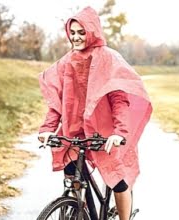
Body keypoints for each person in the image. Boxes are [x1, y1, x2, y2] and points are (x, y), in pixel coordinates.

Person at [37, 6, 152, 220]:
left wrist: (120, 132)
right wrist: (47, 128)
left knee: (118, 180)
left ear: (92, 31)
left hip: (105, 132)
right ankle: (80, 210)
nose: (76, 37)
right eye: (72, 33)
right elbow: (57, 100)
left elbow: (119, 100)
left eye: (81, 32)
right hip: (75, 130)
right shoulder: (67, 61)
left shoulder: (108, 58)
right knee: (71, 172)